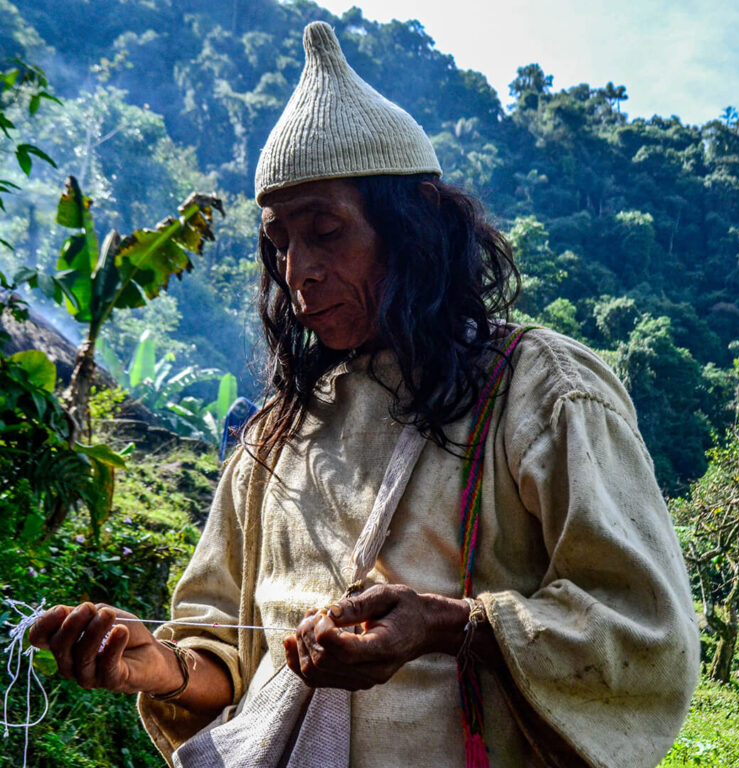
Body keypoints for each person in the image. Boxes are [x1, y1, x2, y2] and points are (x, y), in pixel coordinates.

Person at [30, 21, 699, 768]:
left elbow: (646, 633)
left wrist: (453, 625)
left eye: (326, 232)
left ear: (415, 227)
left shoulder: (541, 390)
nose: (297, 272)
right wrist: (157, 666)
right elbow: (225, 664)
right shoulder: (272, 439)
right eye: (279, 242)